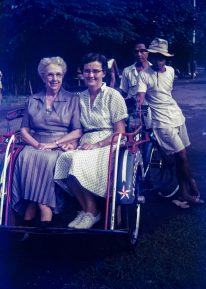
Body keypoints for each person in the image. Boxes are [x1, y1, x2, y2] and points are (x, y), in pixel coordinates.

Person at [54, 53, 128, 229]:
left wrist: (97, 145)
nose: (91, 75)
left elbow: (120, 132)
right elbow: (77, 129)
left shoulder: (112, 95)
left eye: (96, 71)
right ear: (82, 73)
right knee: (65, 159)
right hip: (85, 141)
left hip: (109, 141)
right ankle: (89, 209)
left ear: (104, 73)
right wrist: (72, 143)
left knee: (77, 161)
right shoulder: (79, 97)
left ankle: (92, 212)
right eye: (87, 71)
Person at [11, 56, 82, 226]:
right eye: (50, 75)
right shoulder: (32, 100)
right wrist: (37, 145)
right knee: (24, 157)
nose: (54, 79)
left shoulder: (73, 99)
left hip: (59, 144)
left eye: (58, 74)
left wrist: (55, 144)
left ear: (63, 76)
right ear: (43, 77)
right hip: (36, 143)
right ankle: (40, 207)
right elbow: (24, 130)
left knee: (49, 159)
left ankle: (38, 209)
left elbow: (77, 130)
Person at [137, 38, 203, 208]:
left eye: (162, 57)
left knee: (181, 158)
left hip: (177, 116)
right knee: (181, 155)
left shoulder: (171, 71)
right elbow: (140, 98)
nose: (159, 60)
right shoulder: (144, 75)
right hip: (161, 121)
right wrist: (136, 107)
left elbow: (166, 94)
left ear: (166, 58)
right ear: (152, 55)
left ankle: (183, 194)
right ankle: (192, 186)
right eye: (156, 56)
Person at [120, 38, 152, 128]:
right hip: (134, 113)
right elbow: (124, 93)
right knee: (135, 138)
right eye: (136, 51)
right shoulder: (127, 71)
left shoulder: (154, 71)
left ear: (148, 52)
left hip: (152, 112)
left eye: (142, 51)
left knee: (153, 137)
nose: (139, 54)